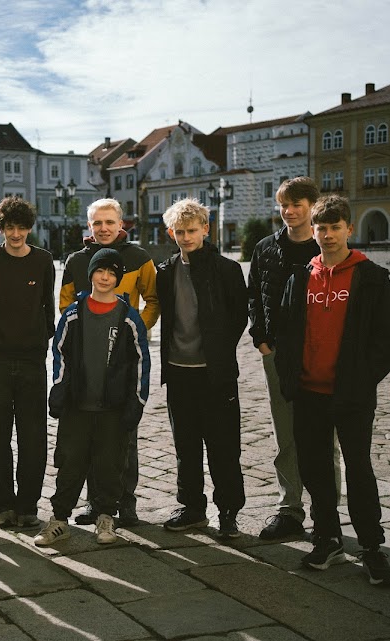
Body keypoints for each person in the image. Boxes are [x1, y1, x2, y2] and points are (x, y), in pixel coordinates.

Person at [275, 194, 390, 586]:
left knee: (359, 469)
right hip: (308, 392)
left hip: (351, 395)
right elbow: (286, 332)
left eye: (335, 227)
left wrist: (359, 382)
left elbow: (385, 346)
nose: (327, 235)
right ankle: (326, 537)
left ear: (349, 228)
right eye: (321, 228)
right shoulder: (300, 277)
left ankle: (372, 547)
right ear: (312, 231)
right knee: (314, 470)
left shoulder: (372, 277)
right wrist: (289, 377)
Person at [34, 248, 150, 547]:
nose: (105, 277)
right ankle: (59, 519)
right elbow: (59, 353)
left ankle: (106, 517)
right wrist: (59, 390)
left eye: (112, 273)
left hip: (113, 407)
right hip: (77, 405)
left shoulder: (128, 317)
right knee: (71, 461)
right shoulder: (74, 313)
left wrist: (135, 403)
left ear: (118, 279)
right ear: (92, 275)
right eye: (101, 271)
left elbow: (141, 362)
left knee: (110, 464)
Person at [248, 177, 341, 540]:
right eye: (283, 204)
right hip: (278, 353)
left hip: (320, 354)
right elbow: (254, 294)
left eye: (296, 204)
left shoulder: (326, 251)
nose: (288, 211)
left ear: (313, 207)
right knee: (285, 434)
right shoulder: (265, 248)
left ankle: (326, 513)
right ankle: (289, 509)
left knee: (322, 436)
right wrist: (262, 342)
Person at [59, 197, 159, 526]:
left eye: (109, 222)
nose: (103, 228)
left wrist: (135, 328)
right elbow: (65, 303)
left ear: (121, 224)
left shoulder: (140, 258)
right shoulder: (76, 261)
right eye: (97, 223)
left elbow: (153, 299)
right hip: (87, 360)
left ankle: (125, 503)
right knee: (90, 435)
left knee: (123, 436)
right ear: (90, 226)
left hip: (123, 361)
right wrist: (86, 330)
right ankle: (95, 503)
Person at [157, 198, 248, 539]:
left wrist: (219, 349)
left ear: (206, 229)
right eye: (179, 232)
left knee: (224, 446)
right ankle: (192, 507)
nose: (186, 237)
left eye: (192, 231)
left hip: (216, 373)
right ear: (171, 233)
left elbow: (240, 315)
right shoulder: (165, 271)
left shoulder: (226, 269)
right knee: (186, 445)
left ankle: (228, 512)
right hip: (179, 371)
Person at [0, 197, 55, 529]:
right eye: (10, 227)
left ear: (30, 228)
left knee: (33, 436)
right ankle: (3, 504)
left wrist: (41, 340)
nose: (16, 234)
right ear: (1, 228)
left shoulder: (43, 261)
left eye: (22, 227)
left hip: (33, 361)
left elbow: (48, 308)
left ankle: (28, 505)